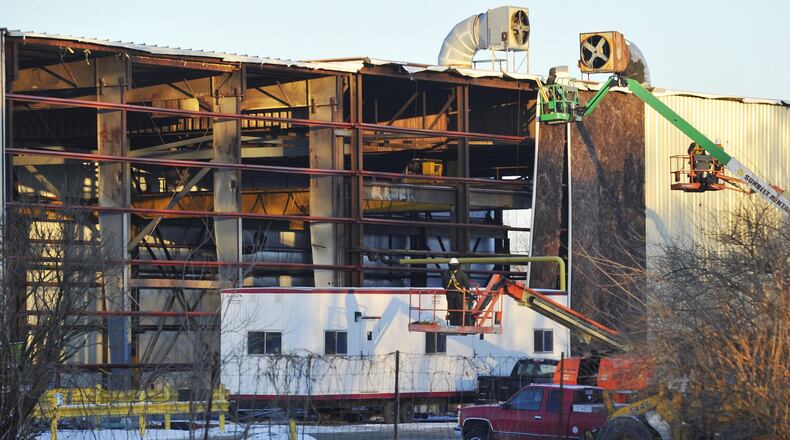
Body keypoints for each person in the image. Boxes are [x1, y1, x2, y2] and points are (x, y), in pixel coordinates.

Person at [442, 258, 473, 326]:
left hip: (450, 295)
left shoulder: (446, 274)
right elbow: (467, 285)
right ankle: (461, 325)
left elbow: (443, 285)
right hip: (460, 296)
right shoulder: (462, 274)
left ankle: (453, 325)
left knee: (452, 311)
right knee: (460, 311)